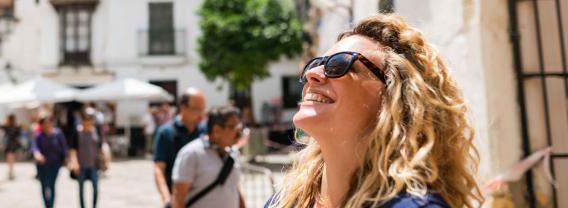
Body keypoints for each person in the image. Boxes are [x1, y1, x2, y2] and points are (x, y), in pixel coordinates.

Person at [265, 14, 483, 208]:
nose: (313, 74)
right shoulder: (281, 202)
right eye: (315, 63)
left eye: (339, 64)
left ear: (395, 96)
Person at [171, 106, 245, 208]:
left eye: (239, 126)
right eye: (232, 127)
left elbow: (234, 187)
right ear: (216, 130)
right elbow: (178, 195)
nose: (239, 132)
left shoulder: (233, 152)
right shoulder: (191, 153)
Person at [152, 88, 207, 204]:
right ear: (183, 107)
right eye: (197, 109)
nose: (201, 114)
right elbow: (159, 169)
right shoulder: (166, 133)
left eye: (203, 109)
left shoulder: (206, 132)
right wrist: (166, 198)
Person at [31, 117, 68, 208]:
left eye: (49, 123)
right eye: (45, 124)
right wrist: (37, 154)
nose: (47, 125)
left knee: (52, 184)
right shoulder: (38, 136)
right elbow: (34, 147)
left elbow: (64, 147)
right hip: (42, 165)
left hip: (55, 164)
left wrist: (66, 159)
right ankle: (47, 205)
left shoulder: (57, 134)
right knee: (44, 185)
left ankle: (51, 205)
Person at [69, 112, 101, 208]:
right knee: (81, 189)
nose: (87, 123)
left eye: (89, 121)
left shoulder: (96, 131)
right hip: (81, 165)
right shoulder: (77, 132)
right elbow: (73, 149)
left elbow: (99, 147)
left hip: (94, 165)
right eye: (85, 120)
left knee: (95, 187)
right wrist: (75, 163)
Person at [1, 114, 22, 180]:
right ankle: (11, 170)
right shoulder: (17, 126)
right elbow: (19, 134)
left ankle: (10, 170)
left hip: (9, 143)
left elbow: (1, 126)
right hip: (13, 143)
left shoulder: (7, 126)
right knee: (11, 157)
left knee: (9, 157)